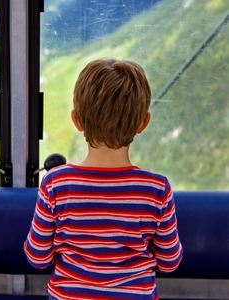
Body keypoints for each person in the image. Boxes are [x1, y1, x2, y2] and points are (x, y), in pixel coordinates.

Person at [24, 58, 183, 300]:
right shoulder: (156, 189)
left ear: (76, 120)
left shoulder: (56, 183)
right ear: (143, 123)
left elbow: (37, 257)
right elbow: (170, 261)